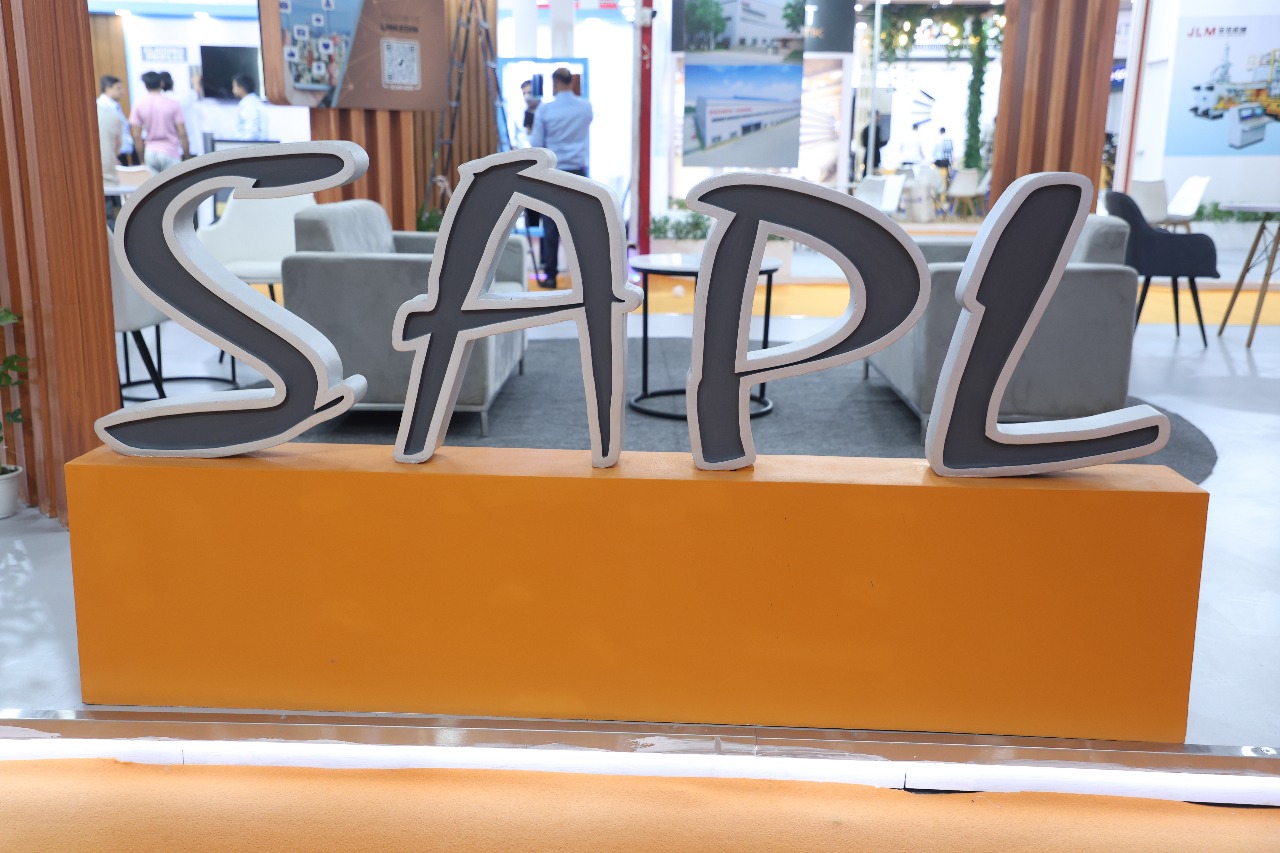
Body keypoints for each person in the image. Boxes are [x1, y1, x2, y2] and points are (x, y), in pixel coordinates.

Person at [529, 68, 592, 287]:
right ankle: (585, 277)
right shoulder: (585, 107)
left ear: (555, 84)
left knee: (551, 224)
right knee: (579, 225)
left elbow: (536, 144)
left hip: (553, 171)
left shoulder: (545, 110)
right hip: (578, 171)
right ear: (571, 82)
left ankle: (551, 276)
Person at [130, 71, 189, 173]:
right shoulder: (173, 104)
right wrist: (187, 157)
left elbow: (136, 135)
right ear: (162, 83)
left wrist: (142, 159)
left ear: (146, 86)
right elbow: (182, 133)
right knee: (174, 183)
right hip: (171, 152)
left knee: (154, 183)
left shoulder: (138, 105)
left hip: (150, 152)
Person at [96, 76, 125, 184]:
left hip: (115, 155)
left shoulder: (114, 106)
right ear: (107, 89)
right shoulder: (104, 109)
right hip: (110, 158)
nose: (122, 92)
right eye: (118, 88)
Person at [232, 74, 269, 141]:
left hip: (249, 144)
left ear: (242, 88)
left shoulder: (250, 104)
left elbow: (252, 132)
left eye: (234, 87)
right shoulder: (250, 102)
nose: (233, 90)